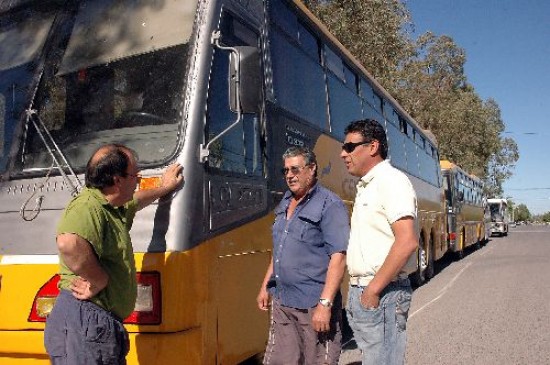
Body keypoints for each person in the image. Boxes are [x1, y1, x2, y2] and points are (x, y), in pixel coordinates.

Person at [44, 143, 183, 364]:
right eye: (134, 174)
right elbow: (68, 243)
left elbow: (138, 200)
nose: (138, 179)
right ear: (117, 180)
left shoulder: (113, 208)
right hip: (86, 321)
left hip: (95, 324)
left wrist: (165, 188)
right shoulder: (87, 207)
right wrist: (98, 279)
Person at [257, 146, 350, 365]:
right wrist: (264, 286)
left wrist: (325, 305)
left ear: (311, 169)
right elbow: (279, 248)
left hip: (313, 305)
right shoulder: (286, 202)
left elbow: (339, 257)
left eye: (295, 169)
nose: (289, 175)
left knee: (316, 361)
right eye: (286, 170)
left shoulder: (330, 204)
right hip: (283, 301)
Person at [340, 119, 419, 365]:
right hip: (366, 292)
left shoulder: (391, 181)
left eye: (350, 147)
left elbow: (407, 241)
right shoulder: (367, 185)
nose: (343, 154)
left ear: (373, 147)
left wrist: (373, 290)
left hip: (383, 294)